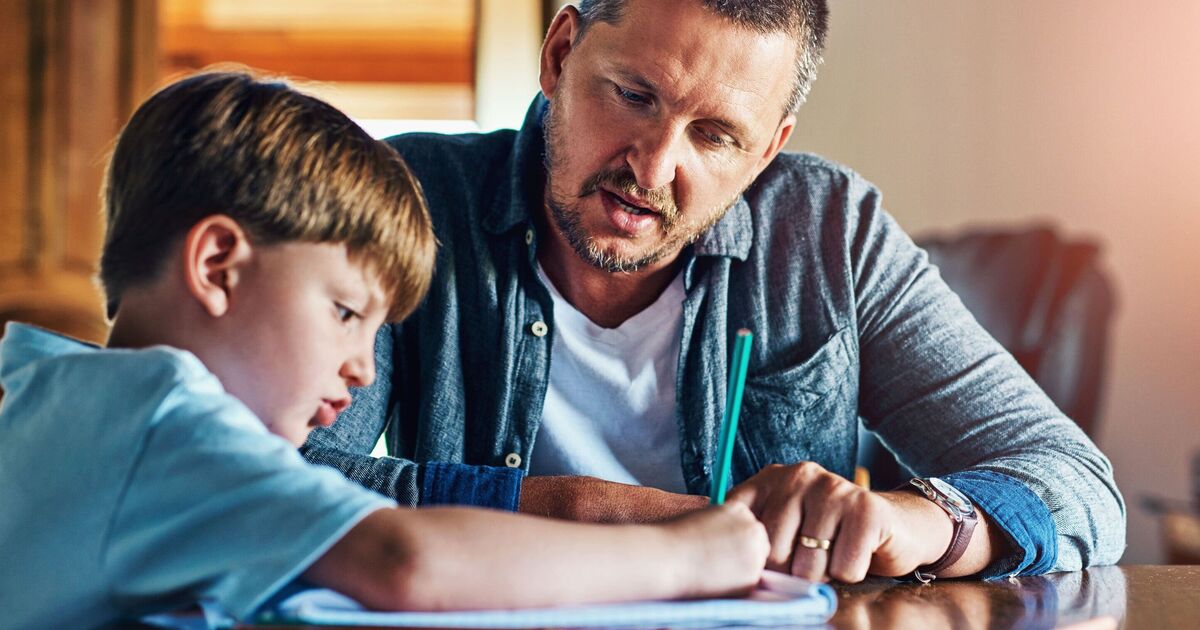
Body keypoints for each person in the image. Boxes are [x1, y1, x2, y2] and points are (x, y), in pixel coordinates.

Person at [303, 0, 1126, 584]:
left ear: (768, 149)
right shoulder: (408, 200)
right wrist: (593, 510)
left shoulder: (829, 232)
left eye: (715, 135)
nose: (654, 168)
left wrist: (914, 523)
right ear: (559, 54)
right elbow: (266, 476)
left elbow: (1077, 485)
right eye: (634, 96)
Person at [0, 71, 772, 630]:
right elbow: (405, 562)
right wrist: (691, 560)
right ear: (217, 267)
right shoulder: (171, 422)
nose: (364, 368)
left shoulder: (49, 387)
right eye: (344, 312)